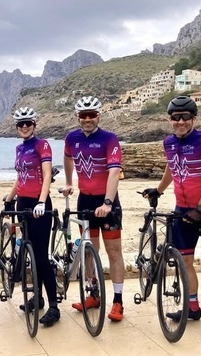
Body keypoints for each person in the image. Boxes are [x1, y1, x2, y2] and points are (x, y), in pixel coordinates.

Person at [142, 95, 201, 342]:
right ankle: (192, 308)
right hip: (182, 210)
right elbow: (171, 167)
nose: (180, 122)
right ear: (169, 119)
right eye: (175, 117)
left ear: (194, 118)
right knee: (186, 261)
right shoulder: (169, 142)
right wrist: (159, 190)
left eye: (185, 117)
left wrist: (200, 209)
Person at [63, 96, 125, 322]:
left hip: (107, 201)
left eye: (92, 115)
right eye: (83, 115)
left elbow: (114, 171)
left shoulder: (109, 139)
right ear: (78, 117)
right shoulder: (71, 138)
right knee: (89, 251)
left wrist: (108, 202)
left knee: (114, 252)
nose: (87, 119)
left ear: (99, 115)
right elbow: (68, 158)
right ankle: (94, 295)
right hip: (85, 201)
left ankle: (118, 301)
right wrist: (68, 182)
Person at [4, 107, 60, 327]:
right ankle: (37, 298)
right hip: (23, 203)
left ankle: (54, 307)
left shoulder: (42, 144)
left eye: (28, 123)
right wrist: (9, 198)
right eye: (21, 124)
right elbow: (21, 176)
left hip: (39, 204)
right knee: (30, 253)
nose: (24, 126)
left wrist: (41, 201)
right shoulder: (19, 148)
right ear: (17, 127)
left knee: (41, 256)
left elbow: (46, 174)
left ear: (34, 124)